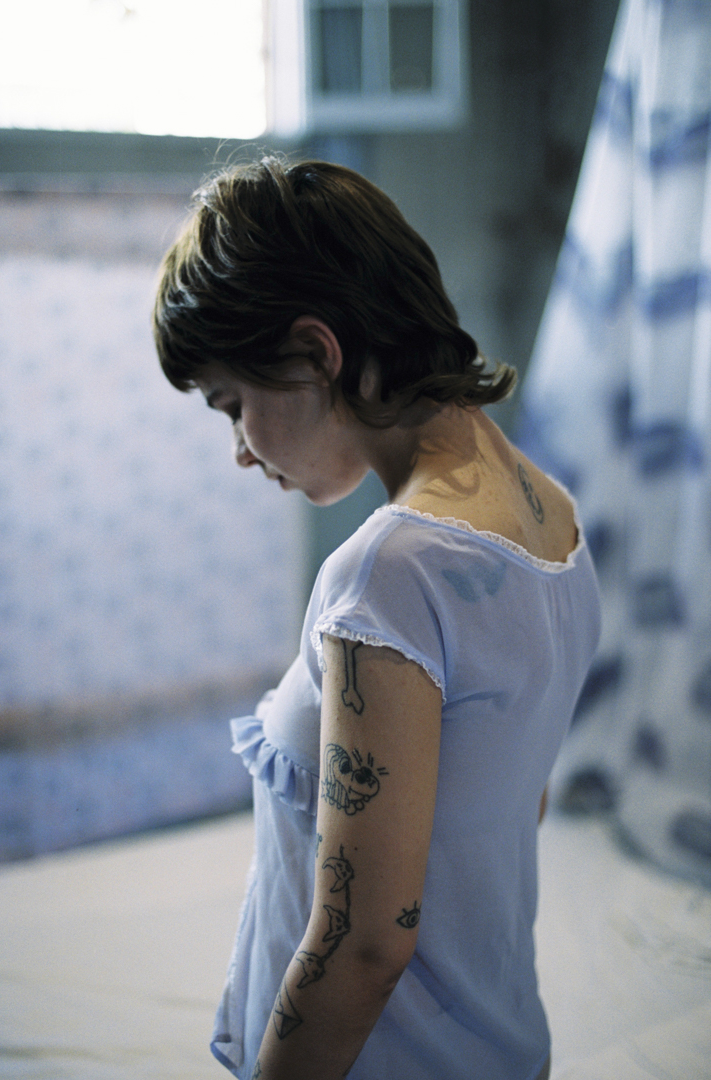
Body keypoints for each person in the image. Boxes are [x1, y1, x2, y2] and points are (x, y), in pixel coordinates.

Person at [152, 157, 601, 1080]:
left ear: (316, 353)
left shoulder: (391, 573)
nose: (239, 450)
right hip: (496, 1042)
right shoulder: (551, 517)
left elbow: (362, 944)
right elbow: (514, 797)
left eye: (233, 405)